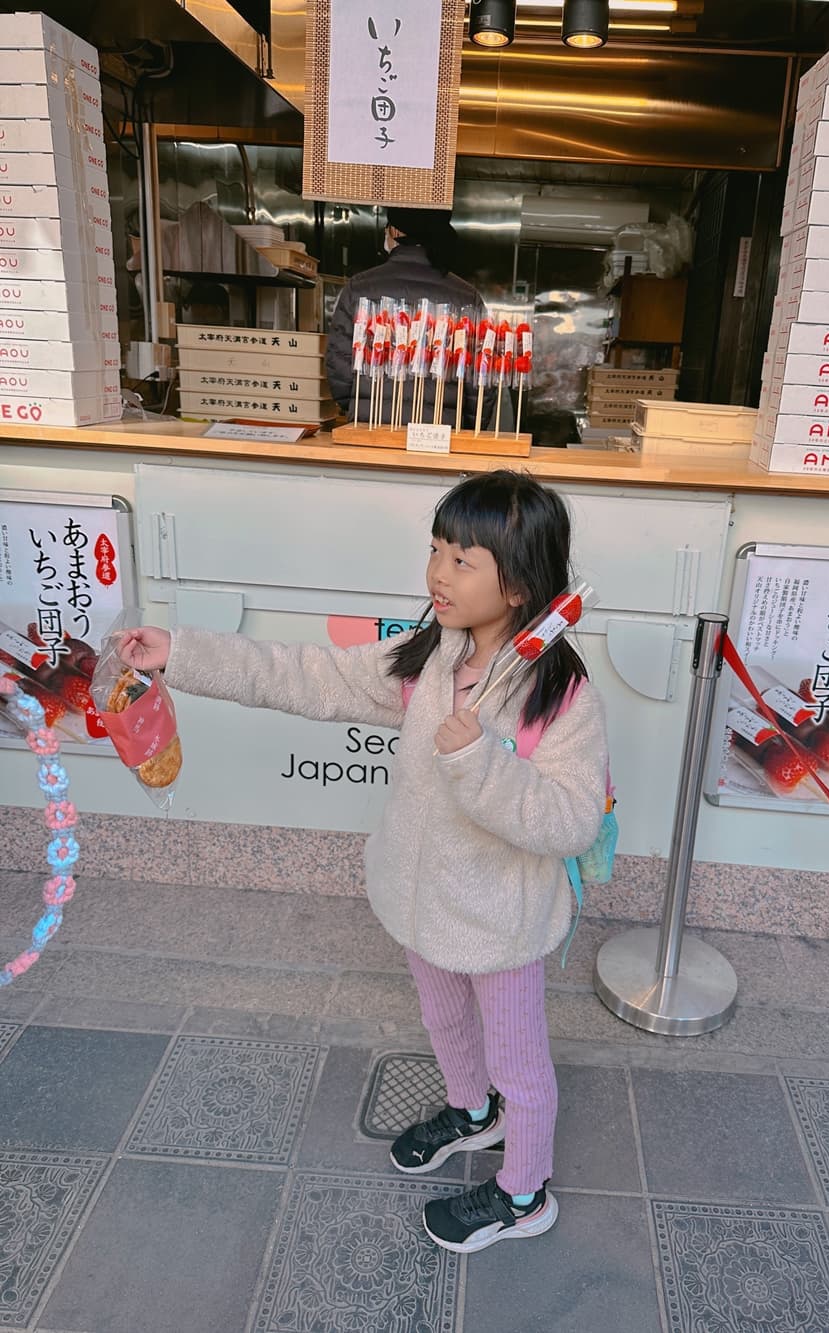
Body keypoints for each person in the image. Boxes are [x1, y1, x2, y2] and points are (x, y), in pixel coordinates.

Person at [116, 469, 607, 1254]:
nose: (437, 573)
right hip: (420, 903)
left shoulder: (562, 695)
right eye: (436, 549)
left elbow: (572, 819)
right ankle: (470, 1113)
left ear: (519, 584)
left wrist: (481, 760)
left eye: (462, 559)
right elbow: (309, 676)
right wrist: (183, 652)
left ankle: (525, 1191)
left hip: (501, 920)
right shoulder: (430, 660)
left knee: (521, 1061)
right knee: (444, 1019)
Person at [325, 207, 496, 430]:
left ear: (394, 231)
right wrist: (468, 426)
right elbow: (482, 379)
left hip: (370, 429)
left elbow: (339, 366)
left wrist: (358, 405)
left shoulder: (359, 288)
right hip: (441, 434)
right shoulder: (466, 297)